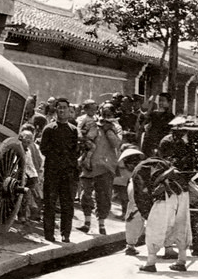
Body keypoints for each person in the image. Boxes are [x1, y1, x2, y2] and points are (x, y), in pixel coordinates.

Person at [132, 148, 195, 273]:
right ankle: (181, 261)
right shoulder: (162, 163)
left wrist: (147, 213)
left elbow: (141, 194)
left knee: (155, 228)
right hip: (181, 193)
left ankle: (150, 263)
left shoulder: (138, 170)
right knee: (181, 225)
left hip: (163, 197)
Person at [77, 101, 122, 235]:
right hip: (89, 164)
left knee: (103, 197)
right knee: (85, 195)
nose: (106, 115)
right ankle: (87, 222)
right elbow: (86, 138)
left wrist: (108, 130)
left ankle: (101, 224)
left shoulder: (117, 127)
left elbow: (116, 143)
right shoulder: (93, 124)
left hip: (106, 166)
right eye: (104, 113)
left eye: (109, 113)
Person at [39, 97, 79, 243]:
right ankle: (49, 233)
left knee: (67, 203)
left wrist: (69, 164)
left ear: (69, 110)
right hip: (52, 171)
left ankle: (65, 233)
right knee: (49, 202)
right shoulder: (49, 129)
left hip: (68, 172)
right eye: (59, 108)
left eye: (64, 108)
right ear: (56, 110)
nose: (62, 110)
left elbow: (76, 150)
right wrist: (57, 157)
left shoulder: (73, 130)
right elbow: (44, 149)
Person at [117, 146, 146, 256]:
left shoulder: (135, 177)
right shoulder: (142, 171)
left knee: (133, 216)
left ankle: (131, 245)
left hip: (138, 201)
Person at [18, 122, 43, 223]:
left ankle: (23, 216)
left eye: (28, 142)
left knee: (25, 194)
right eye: (24, 141)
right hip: (22, 174)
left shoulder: (27, 151)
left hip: (30, 175)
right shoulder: (19, 148)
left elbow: (28, 166)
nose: (26, 143)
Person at [139, 91, 175, 157]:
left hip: (162, 144)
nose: (160, 103)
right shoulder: (153, 114)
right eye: (159, 100)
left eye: (163, 101)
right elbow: (143, 118)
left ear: (169, 103)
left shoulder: (171, 117)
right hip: (150, 143)